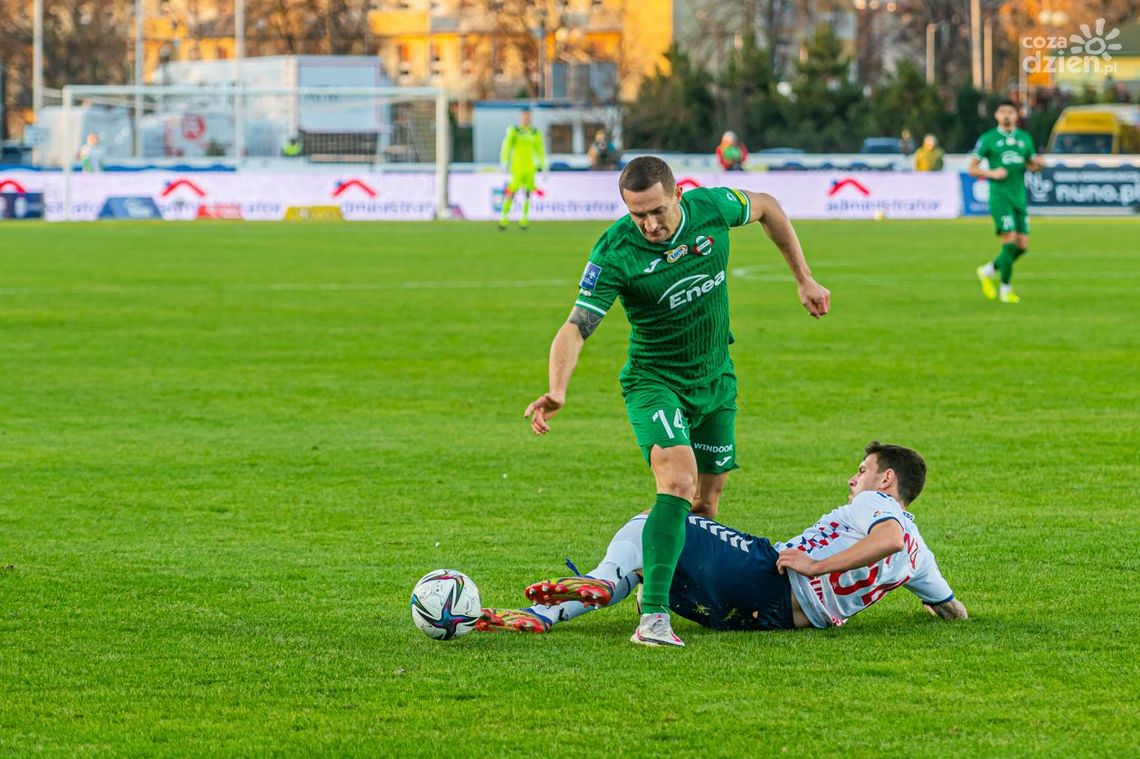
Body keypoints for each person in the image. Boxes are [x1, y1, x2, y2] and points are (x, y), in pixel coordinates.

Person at [522, 156, 830, 647]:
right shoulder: (615, 250)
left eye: (657, 211)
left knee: (705, 506)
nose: (649, 224)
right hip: (654, 382)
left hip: (716, 379)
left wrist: (803, 277)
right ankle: (654, 618)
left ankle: (666, 584)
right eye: (637, 214)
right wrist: (558, 388)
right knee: (679, 483)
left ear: (678, 195)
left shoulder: (712, 207)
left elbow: (769, 207)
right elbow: (576, 325)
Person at [478, 442, 967, 638]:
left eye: (861, 472)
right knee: (657, 561)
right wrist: (937, 608)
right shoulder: (923, 560)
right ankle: (547, 614)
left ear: (886, 482)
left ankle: (602, 584)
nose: (851, 481)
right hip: (769, 620)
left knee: (659, 520)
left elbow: (888, 540)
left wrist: (817, 566)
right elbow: (952, 609)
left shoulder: (877, 507)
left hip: (765, 574)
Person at [969, 101, 1045, 304]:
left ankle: (988, 270)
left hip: (1019, 197)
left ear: (1016, 115)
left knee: (1022, 247)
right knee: (1009, 241)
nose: (1006, 115)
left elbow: (1030, 165)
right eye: (1002, 112)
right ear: (996, 115)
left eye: (1010, 112)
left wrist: (1038, 166)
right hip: (1000, 197)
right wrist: (991, 173)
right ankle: (1006, 289)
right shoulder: (988, 139)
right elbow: (972, 168)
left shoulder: (1024, 138)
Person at [499, 107, 547, 230]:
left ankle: (524, 219)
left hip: (530, 168)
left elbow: (540, 150)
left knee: (527, 193)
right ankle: (504, 217)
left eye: (528, 116)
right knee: (512, 191)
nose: (526, 118)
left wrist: (544, 166)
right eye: (524, 116)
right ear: (521, 117)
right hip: (517, 168)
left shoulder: (535, 133)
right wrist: (504, 161)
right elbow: (506, 147)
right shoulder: (514, 131)